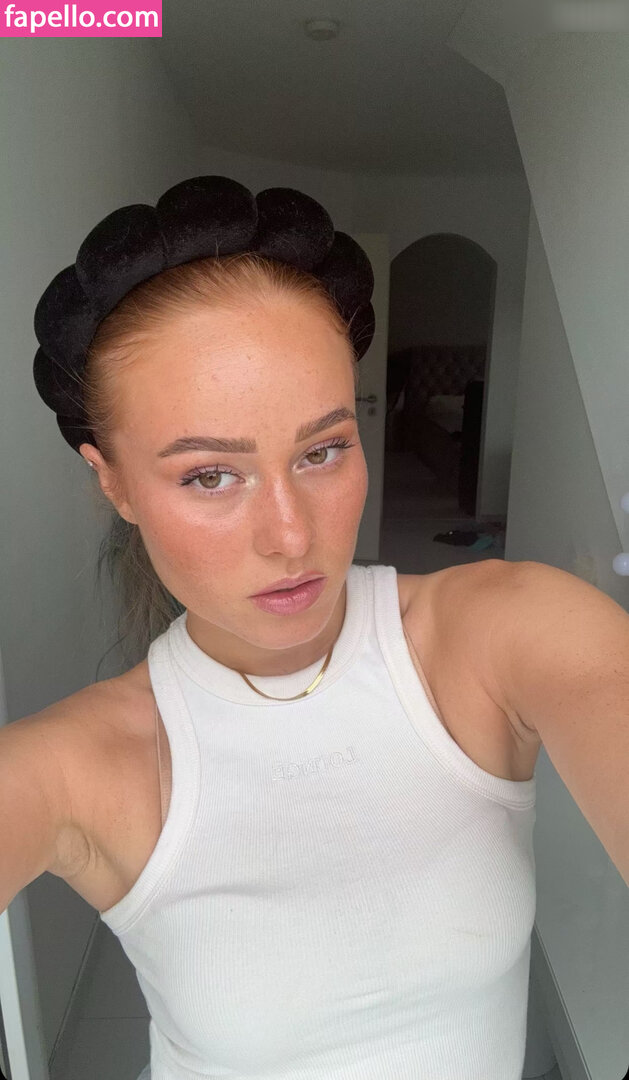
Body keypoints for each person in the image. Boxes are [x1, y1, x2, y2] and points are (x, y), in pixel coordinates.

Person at [3, 176, 541, 1079]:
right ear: (114, 482)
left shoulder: (499, 631)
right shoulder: (67, 766)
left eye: (321, 450)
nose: (292, 537)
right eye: (209, 475)